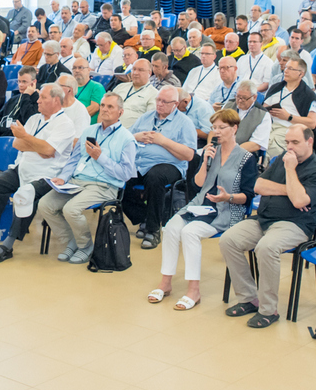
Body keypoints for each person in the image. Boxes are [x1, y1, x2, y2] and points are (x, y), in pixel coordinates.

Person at [219, 124, 316, 328]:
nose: (289, 147)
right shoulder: (281, 158)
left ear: (310, 142)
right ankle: (248, 298)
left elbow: (299, 202)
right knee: (229, 239)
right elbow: (258, 186)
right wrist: (291, 189)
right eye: (287, 142)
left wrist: (290, 171)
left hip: (294, 225)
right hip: (264, 219)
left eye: (295, 143)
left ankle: (268, 310)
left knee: (266, 247)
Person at [147, 109, 259, 310]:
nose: (216, 132)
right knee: (171, 227)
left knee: (189, 232)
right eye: (214, 127)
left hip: (228, 208)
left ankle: (194, 290)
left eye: (221, 128)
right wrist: (205, 162)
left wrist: (228, 197)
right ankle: (165, 282)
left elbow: (248, 196)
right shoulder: (210, 151)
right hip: (201, 204)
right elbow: (198, 184)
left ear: (234, 129)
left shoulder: (246, 158)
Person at [0, 83, 78, 262]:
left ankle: (8, 244)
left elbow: (49, 150)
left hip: (47, 176)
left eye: (43, 97)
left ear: (56, 100)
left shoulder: (65, 124)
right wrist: (37, 146)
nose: (38, 100)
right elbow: (17, 144)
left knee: (25, 195)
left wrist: (28, 139)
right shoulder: (34, 119)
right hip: (21, 169)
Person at [39, 92, 137, 264]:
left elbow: (126, 174)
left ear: (120, 112)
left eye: (110, 107)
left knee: (71, 210)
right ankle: (71, 242)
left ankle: (85, 246)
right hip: (77, 181)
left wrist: (101, 157)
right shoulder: (89, 131)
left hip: (104, 185)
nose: (104, 109)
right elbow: (74, 159)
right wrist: (63, 177)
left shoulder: (127, 139)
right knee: (45, 204)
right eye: (103, 105)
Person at [123, 88, 197, 249]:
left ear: (175, 104)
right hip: (140, 163)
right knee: (119, 176)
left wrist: (162, 141)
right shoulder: (146, 117)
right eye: (158, 100)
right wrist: (136, 137)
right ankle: (143, 217)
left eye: (165, 102)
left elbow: (189, 155)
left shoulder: (185, 123)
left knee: (156, 177)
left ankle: (153, 229)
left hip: (171, 165)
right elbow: (125, 139)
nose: (160, 104)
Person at [113, 59, 160, 128]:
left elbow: (149, 121)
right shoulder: (120, 87)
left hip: (131, 134)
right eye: (134, 69)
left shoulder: (154, 94)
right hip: (109, 129)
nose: (135, 73)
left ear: (149, 73)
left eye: (140, 70)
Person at [0, 67, 40, 135]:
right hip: (0, 136)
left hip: (19, 140)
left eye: (24, 82)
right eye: (19, 81)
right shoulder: (13, 99)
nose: (20, 85)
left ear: (33, 82)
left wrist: (26, 95)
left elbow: (28, 120)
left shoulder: (39, 101)